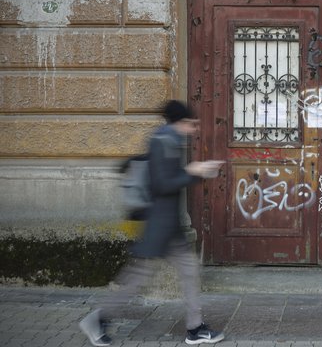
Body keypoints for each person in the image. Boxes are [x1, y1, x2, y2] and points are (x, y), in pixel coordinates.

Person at [80, 100, 224, 346]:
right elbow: (162, 184)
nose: (195, 129)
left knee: (186, 271)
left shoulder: (170, 140)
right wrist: (194, 171)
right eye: (192, 124)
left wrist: (196, 172)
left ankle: (195, 328)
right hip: (159, 225)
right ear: (181, 122)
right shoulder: (164, 141)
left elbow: (171, 180)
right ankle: (98, 319)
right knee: (137, 279)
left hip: (167, 226)